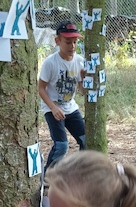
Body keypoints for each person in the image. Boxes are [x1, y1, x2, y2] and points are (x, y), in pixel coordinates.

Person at [38, 21, 86, 173]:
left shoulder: (80, 61)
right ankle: (47, 176)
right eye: (68, 42)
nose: (72, 46)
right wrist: (53, 108)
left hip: (70, 107)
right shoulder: (50, 63)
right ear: (57, 41)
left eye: (75, 42)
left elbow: (82, 91)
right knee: (61, 146)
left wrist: (85, 80)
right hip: (52, 108)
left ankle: (80, 173)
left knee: (86, 140)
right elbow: (41, 88)